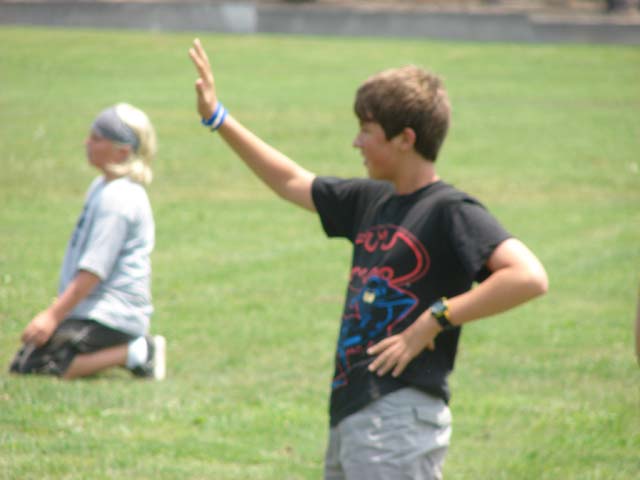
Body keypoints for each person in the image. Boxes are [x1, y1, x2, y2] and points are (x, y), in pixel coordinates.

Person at [189, 38, 548, 479]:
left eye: (366, 130)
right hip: (353, 411)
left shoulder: (449, 210)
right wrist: (217, 117)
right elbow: (291, 181)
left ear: (405, 139)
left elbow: (528, 276)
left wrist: (434, 319)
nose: (355, 142)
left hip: (397, 416)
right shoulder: (371, 199)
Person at [9, 103, 166, 381]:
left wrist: (53, 315)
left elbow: (94, 270)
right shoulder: (102, 187)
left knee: (36, 366)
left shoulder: (119, 199)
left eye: (97, 138)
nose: (87, 143)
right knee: (26, 359)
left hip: (114, 315)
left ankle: (139, 352)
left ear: (122, 151)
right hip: (93, 309)